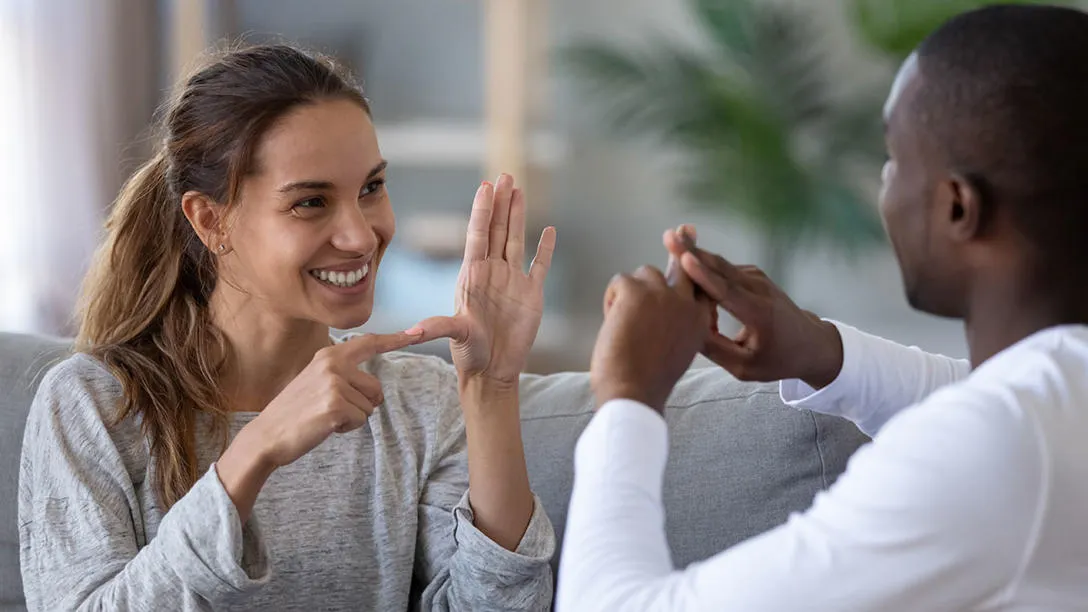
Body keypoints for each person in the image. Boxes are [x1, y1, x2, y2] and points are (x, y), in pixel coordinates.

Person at [557, 5, 1088, 610]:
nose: (885, 186)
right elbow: (996, 396)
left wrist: (629, 395)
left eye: (894, 162)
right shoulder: (1051, 404)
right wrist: (821, 351)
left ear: (957, 207)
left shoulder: (996, 448)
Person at [18, 44, 558, 611]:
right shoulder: (93, 405)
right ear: (210, 219)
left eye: (371, 188)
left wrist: (493, 389)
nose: (360, 235)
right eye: (310, 202)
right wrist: (257, 449)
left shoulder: (420, 405)